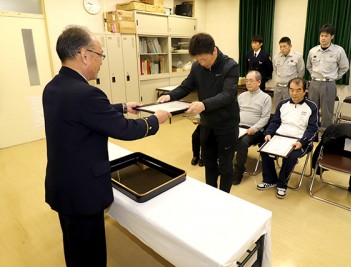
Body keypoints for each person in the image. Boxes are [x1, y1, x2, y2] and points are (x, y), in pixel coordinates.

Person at [42, 25, 171, 267]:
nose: (101, 61)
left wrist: (122, 107)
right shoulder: (86, 94)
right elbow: (124, 130)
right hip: (83, 191)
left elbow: (83, 116)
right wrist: (155, 120)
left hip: (63, 185)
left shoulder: (55, 87)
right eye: (100, 55)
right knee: (90, 257)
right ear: (84, 55)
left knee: (74, 247)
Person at [158, 33, 239, 193]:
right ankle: (211, 194)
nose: (201, 64)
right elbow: (186, 86)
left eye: (204, 59)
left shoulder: (230, 66)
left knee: (225, 165)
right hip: (207, 123)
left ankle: (224, 198)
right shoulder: (197, 67)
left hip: (226, 125)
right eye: (198, 60)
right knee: (209, 162)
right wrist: (170, 95)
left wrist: (203, 104)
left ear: (214, 51)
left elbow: (228, 95)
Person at [257, 77, 318, 199]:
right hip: (281, 137)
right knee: (263, 148)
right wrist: (268, 133)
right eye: (291, 90)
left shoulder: (311, 106)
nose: (294, 93)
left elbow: (313, 129)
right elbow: (275, 122)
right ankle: (270, 179)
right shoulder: (282, 104)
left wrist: (302, 142)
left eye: (298, 90)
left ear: (305, 91)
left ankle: (282, 183)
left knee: (291, 156)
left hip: (299, 140)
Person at [306, 23, 349, 130]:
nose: (323, 38)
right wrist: (313, 76)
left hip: (328, 84)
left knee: (327, 111)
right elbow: (309, 66)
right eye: (322, 36)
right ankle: (312, 131)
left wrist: (334, 77)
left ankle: (325, 133)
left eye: (326, 36)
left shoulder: (338, 51)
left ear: (332, 37)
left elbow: (344, 67)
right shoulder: (313, 50)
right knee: (312, 109)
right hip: (314, 83)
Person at [233, 70, 272, 185]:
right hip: (239, 127)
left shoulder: (266, 98)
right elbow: (235, 113)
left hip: (254, 130)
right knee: (225, 136)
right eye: (247, 80)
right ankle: (223, 166)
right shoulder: (242, 96)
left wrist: (254, 129)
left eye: (251, 81)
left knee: (242, 142)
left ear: (259, 82)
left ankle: (238, 171)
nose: (248, 83)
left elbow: (265, 118)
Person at [272, 36, 305, 109]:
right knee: (277, 108)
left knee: (290, 108)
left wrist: (294, 86)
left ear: (290, 46)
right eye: (280, 47)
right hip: (278, 87)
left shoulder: (297, 57)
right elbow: (274, 70)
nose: (282, 49)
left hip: (290, 88)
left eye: (284, 46)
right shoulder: (276, 57)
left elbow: (301, 72)